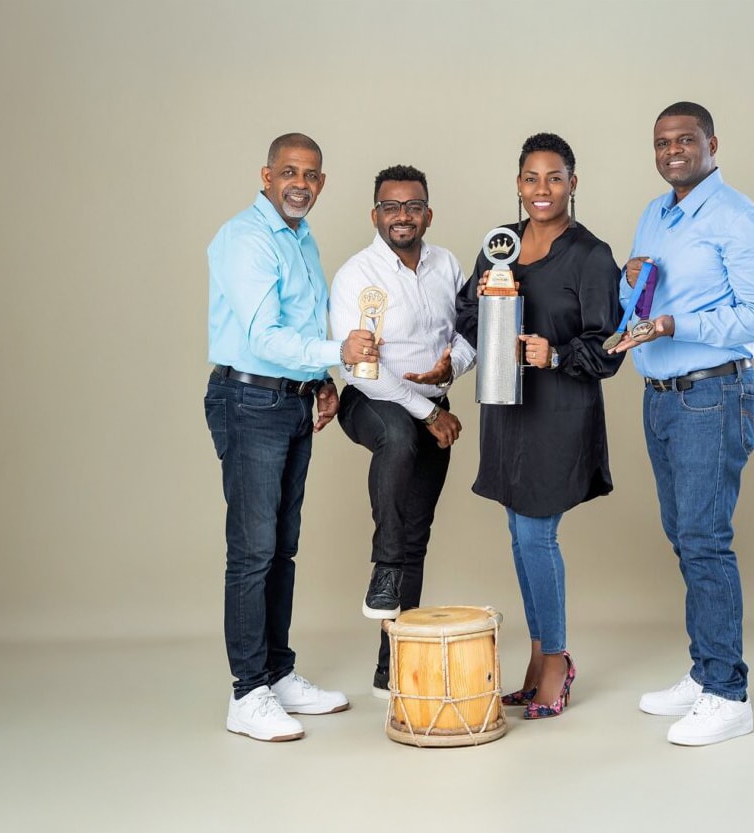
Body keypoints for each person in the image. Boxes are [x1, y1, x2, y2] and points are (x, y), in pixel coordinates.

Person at [607, 102, 754, 746]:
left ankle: (727, 693)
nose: (673, 150)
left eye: (685, 140)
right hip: (661, 395)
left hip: (714, 394)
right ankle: (703, 669)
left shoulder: (740, 218)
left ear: (713, 143)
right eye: (662, 142)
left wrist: (678, 326)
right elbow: (646, 301)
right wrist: (632, 290)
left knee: (706, 538)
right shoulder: (656, 214)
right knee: (684, 536)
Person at [204, 133, 378, 742]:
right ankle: (246, 692)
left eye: (310, 174)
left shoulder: (302, 238)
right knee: (251, 550)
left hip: (289, 399)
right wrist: (339, 353)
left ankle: (276, 675)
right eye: (288, 172)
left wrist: (323, 378)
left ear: (322, 183)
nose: (299, 183)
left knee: (281, 547)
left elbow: (297, 328)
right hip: (249, 399)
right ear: (266, 174)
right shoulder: (245, 239)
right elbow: (262, 336)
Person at [456, 133, 624, 719]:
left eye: (554, 178)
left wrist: (551, 355)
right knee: (518, 535)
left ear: (573, 184)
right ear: (518, 183)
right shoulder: (498, 246)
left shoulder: (592, 255)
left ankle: (556, 659)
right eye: (531, 178)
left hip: (558, 413)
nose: (541, 189)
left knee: (536, 536)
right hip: (506, 412)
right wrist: (487, 307)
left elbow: (609, 347)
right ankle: (535, 658)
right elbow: (466, 314)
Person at [329, 164, 475, 698]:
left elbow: (470, 332)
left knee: (418, 535)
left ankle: (392, 670)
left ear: (428, 214)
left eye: (413, 206)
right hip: (372, 400)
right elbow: (358, 368)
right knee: (397, 434)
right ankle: (383, 567)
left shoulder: (448, 264)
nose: (402, 216)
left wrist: (449, 371)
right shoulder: (355, 275)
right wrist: (428, 413)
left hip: (434, 405)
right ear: (375, 215)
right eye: (391, 207)